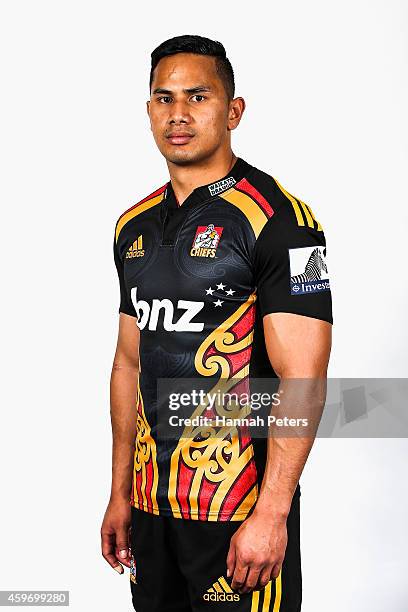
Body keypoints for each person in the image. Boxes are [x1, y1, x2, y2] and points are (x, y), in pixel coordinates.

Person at [101, 34, 332, 612]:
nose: (178, 114)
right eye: (163, 98)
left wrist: (273, 511)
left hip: (236, 510)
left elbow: (304, 375)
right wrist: (120, 492)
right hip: (152, 511)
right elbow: (129, 362)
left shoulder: (283, 221)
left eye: (197, 96)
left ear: (233, 111)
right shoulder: (132, 227)